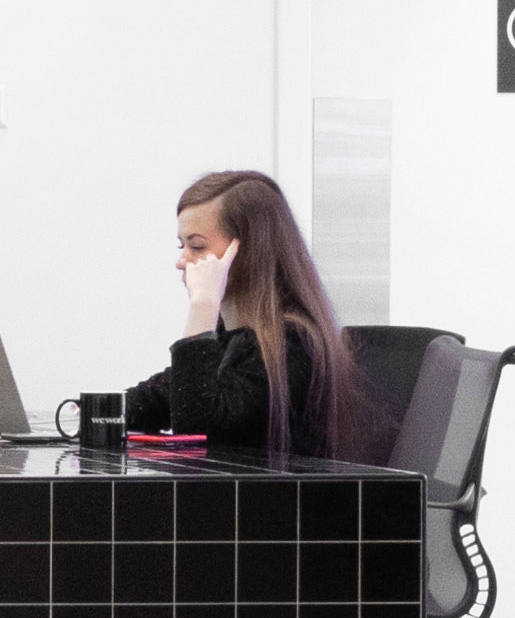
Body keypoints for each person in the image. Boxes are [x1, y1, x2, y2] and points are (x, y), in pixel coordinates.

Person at [117, 164, 374, 459]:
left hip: (268, 490)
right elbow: (150, 401)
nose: (181, 261)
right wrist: (85, 411)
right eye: (181, 246)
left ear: (247, 251)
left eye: (197, 246)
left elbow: (196, 425)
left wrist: (204, 305)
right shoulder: (229, 340)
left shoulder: (295, 343)